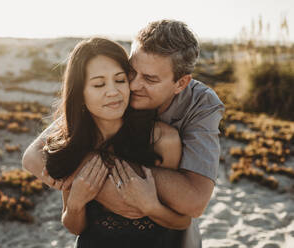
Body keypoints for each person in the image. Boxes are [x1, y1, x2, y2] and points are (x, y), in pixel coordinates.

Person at [23, 19, 225, 247]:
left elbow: (193, 204)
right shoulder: (110, 100)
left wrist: (104, 166)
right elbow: (33, 156)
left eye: (149, 79)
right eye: (130, 72)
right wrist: (89, 194)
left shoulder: (194, 111)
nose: (133, 85)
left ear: (181, 83)